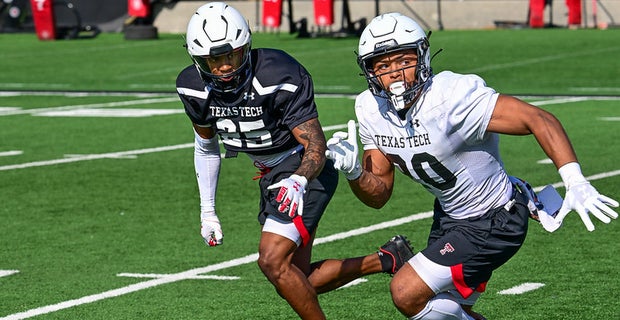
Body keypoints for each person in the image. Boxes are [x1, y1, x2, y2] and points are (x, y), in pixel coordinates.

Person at [325, 12, 619, 319]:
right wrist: (355, 172)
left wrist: (574, 179)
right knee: (445, 311)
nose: (395, 73)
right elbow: (379, 194)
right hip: (450, 219)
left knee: (406, 291)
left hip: (495, 218)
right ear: (371, 73)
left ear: (422, 57)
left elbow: (537, 118)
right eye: (383, 66)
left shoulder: (450, 97)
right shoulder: (371, 109)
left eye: (404, 60)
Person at [175, 3, 414, 319]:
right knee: (297, 279)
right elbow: (206, 147)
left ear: (246, 47)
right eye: (213, 59)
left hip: (303, 168)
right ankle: (385, 259)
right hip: (270, 174)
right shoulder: (192, 86)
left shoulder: (278, 73)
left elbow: (315, 146)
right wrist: (208, 212)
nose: (223, 67)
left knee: (272, 260)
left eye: (230, 55)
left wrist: (299, 179)